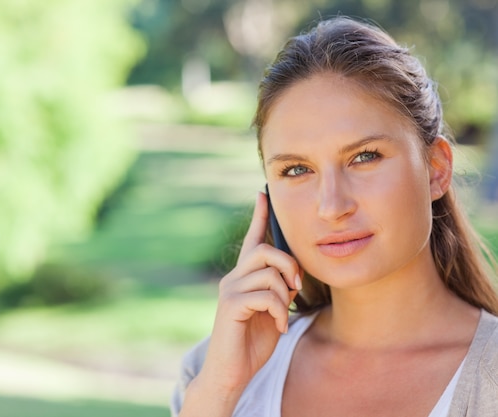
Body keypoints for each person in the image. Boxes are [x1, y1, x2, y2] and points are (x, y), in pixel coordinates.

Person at [171, 16, 498, 417]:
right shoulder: (213, 372)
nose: (331, 206)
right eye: (296, 170)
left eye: (364, 157)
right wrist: (219, 392)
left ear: (436, 169)